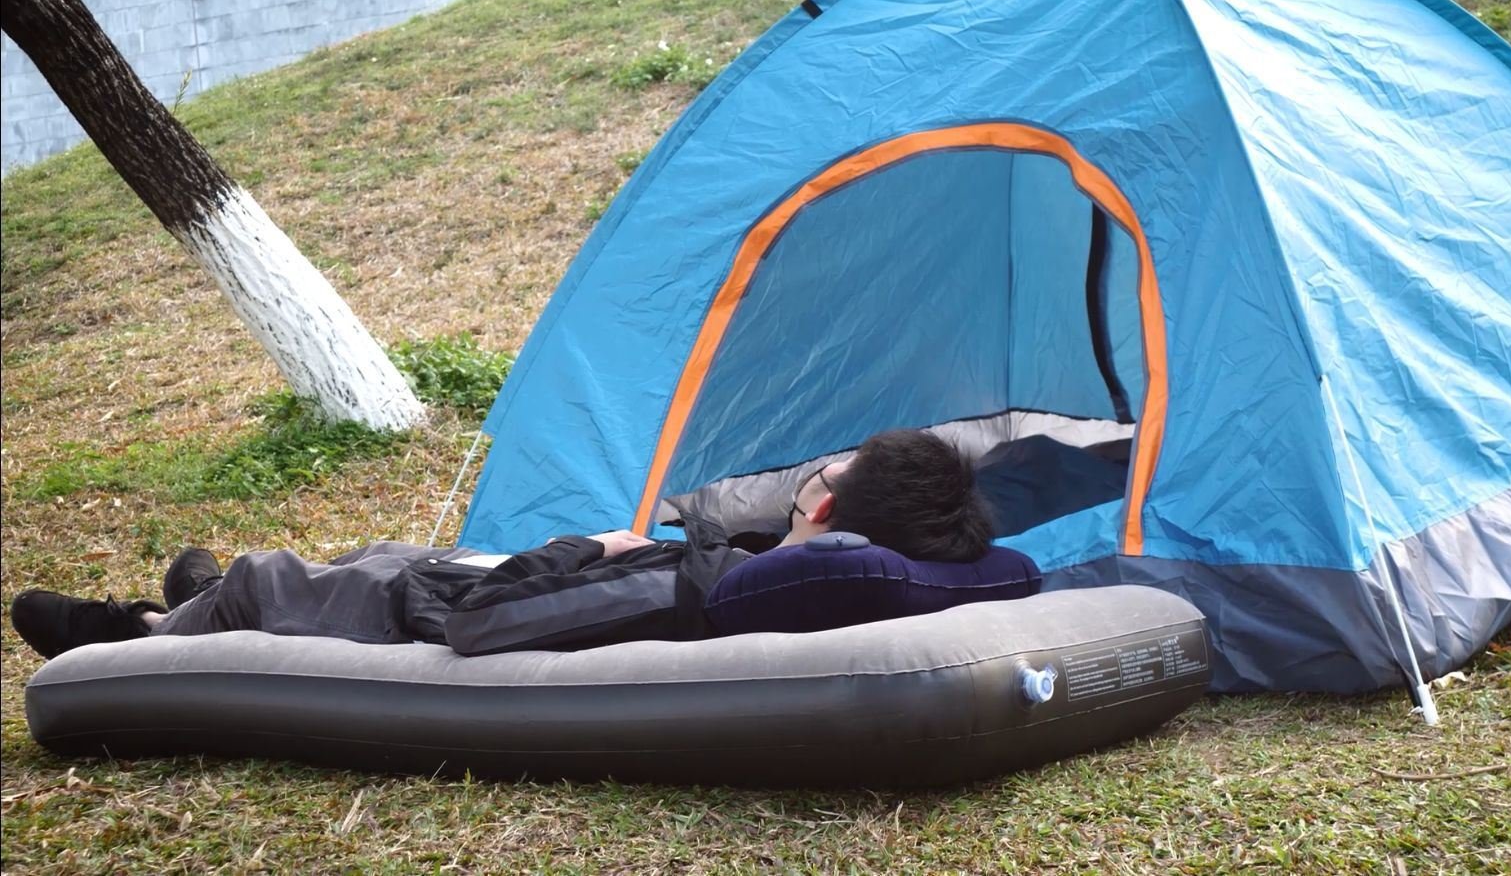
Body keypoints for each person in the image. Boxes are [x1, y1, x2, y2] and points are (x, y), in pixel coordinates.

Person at [11, 429, 995, 660]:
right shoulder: (746, 569)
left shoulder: (692, 592)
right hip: (458, 581)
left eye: (825, 469)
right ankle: (199, 596)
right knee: (379, 542)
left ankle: (138, 630)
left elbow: (482, 623)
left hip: (427, 616)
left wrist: (584, 548)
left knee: (264, 580)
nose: (812, 470)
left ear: (822, 509)